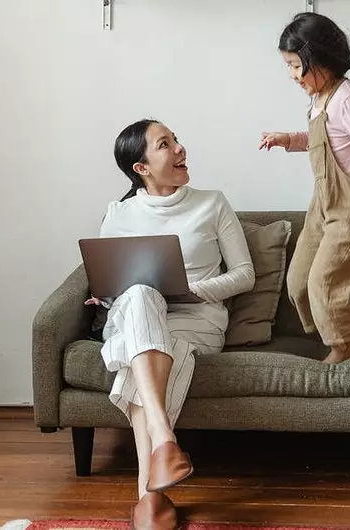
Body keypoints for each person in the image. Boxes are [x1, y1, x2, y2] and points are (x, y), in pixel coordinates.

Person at [88, 119, 255, 529]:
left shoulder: (212, 203)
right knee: (142, 295)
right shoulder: (118, 213)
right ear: (141, 167)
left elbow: (245, 274)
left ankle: (150, 492)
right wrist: (106, 295)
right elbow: (110, 284)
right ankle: (162, 451)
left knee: (149, 350)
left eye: (176, 140)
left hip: (197, 318)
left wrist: (194, 289)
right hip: (137, 317)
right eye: (166, 144)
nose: (180, 149)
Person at [258, 12, 350, 367]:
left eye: (297, 66)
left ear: (322, 59)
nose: (293, 76)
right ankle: (336, 342)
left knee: (325, 288)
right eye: (288, 67)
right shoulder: (320, 98)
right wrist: (289, 140)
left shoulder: (345, 98)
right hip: (323, 205)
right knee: (297, 283)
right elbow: (326, 138)